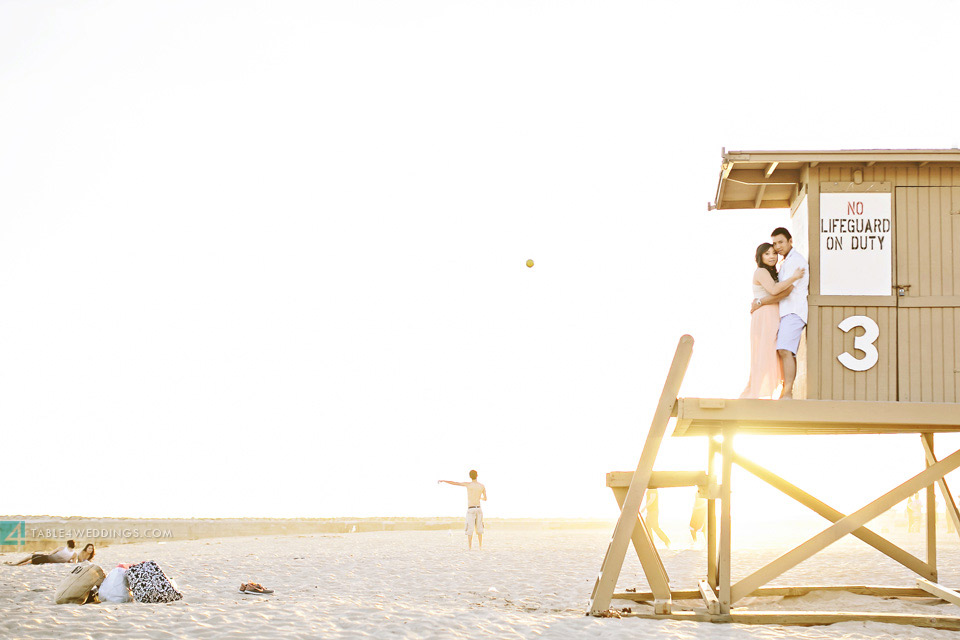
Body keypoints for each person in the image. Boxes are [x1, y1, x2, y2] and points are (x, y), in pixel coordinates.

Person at [742, 242, 805, 399]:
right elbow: (775, 290)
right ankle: (754, 392)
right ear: (760, 257)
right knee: (764, 351)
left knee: (770, 352)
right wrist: (794, 277)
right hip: (765, 315)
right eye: (767, 254)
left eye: (774, 253)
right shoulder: (762, 271)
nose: (772, 256)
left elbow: (780, 293)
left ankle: (764, 391)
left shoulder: (772, 272)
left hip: (772, 312)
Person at [438, 470, 487, 550]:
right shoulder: (482, 486)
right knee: (479, 529)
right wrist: (479, 498)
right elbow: (485, 498)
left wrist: (444, 481)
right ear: (477, 475)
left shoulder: (468, 484)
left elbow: (455, 483)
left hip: (471, 509)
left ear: (470, 476)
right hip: (478, 508)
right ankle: (480, 547)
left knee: (470, 529)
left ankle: (470, 547)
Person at [6, 539, 77, 565]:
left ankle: (16, 564)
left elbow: (50, 553)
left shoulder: (61, 548)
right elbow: (74, 563)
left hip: (49, 558)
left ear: (67, 544)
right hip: (54, 561)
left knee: (31, 557)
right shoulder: (74, 554)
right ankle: (18, 564)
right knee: (33, 559)